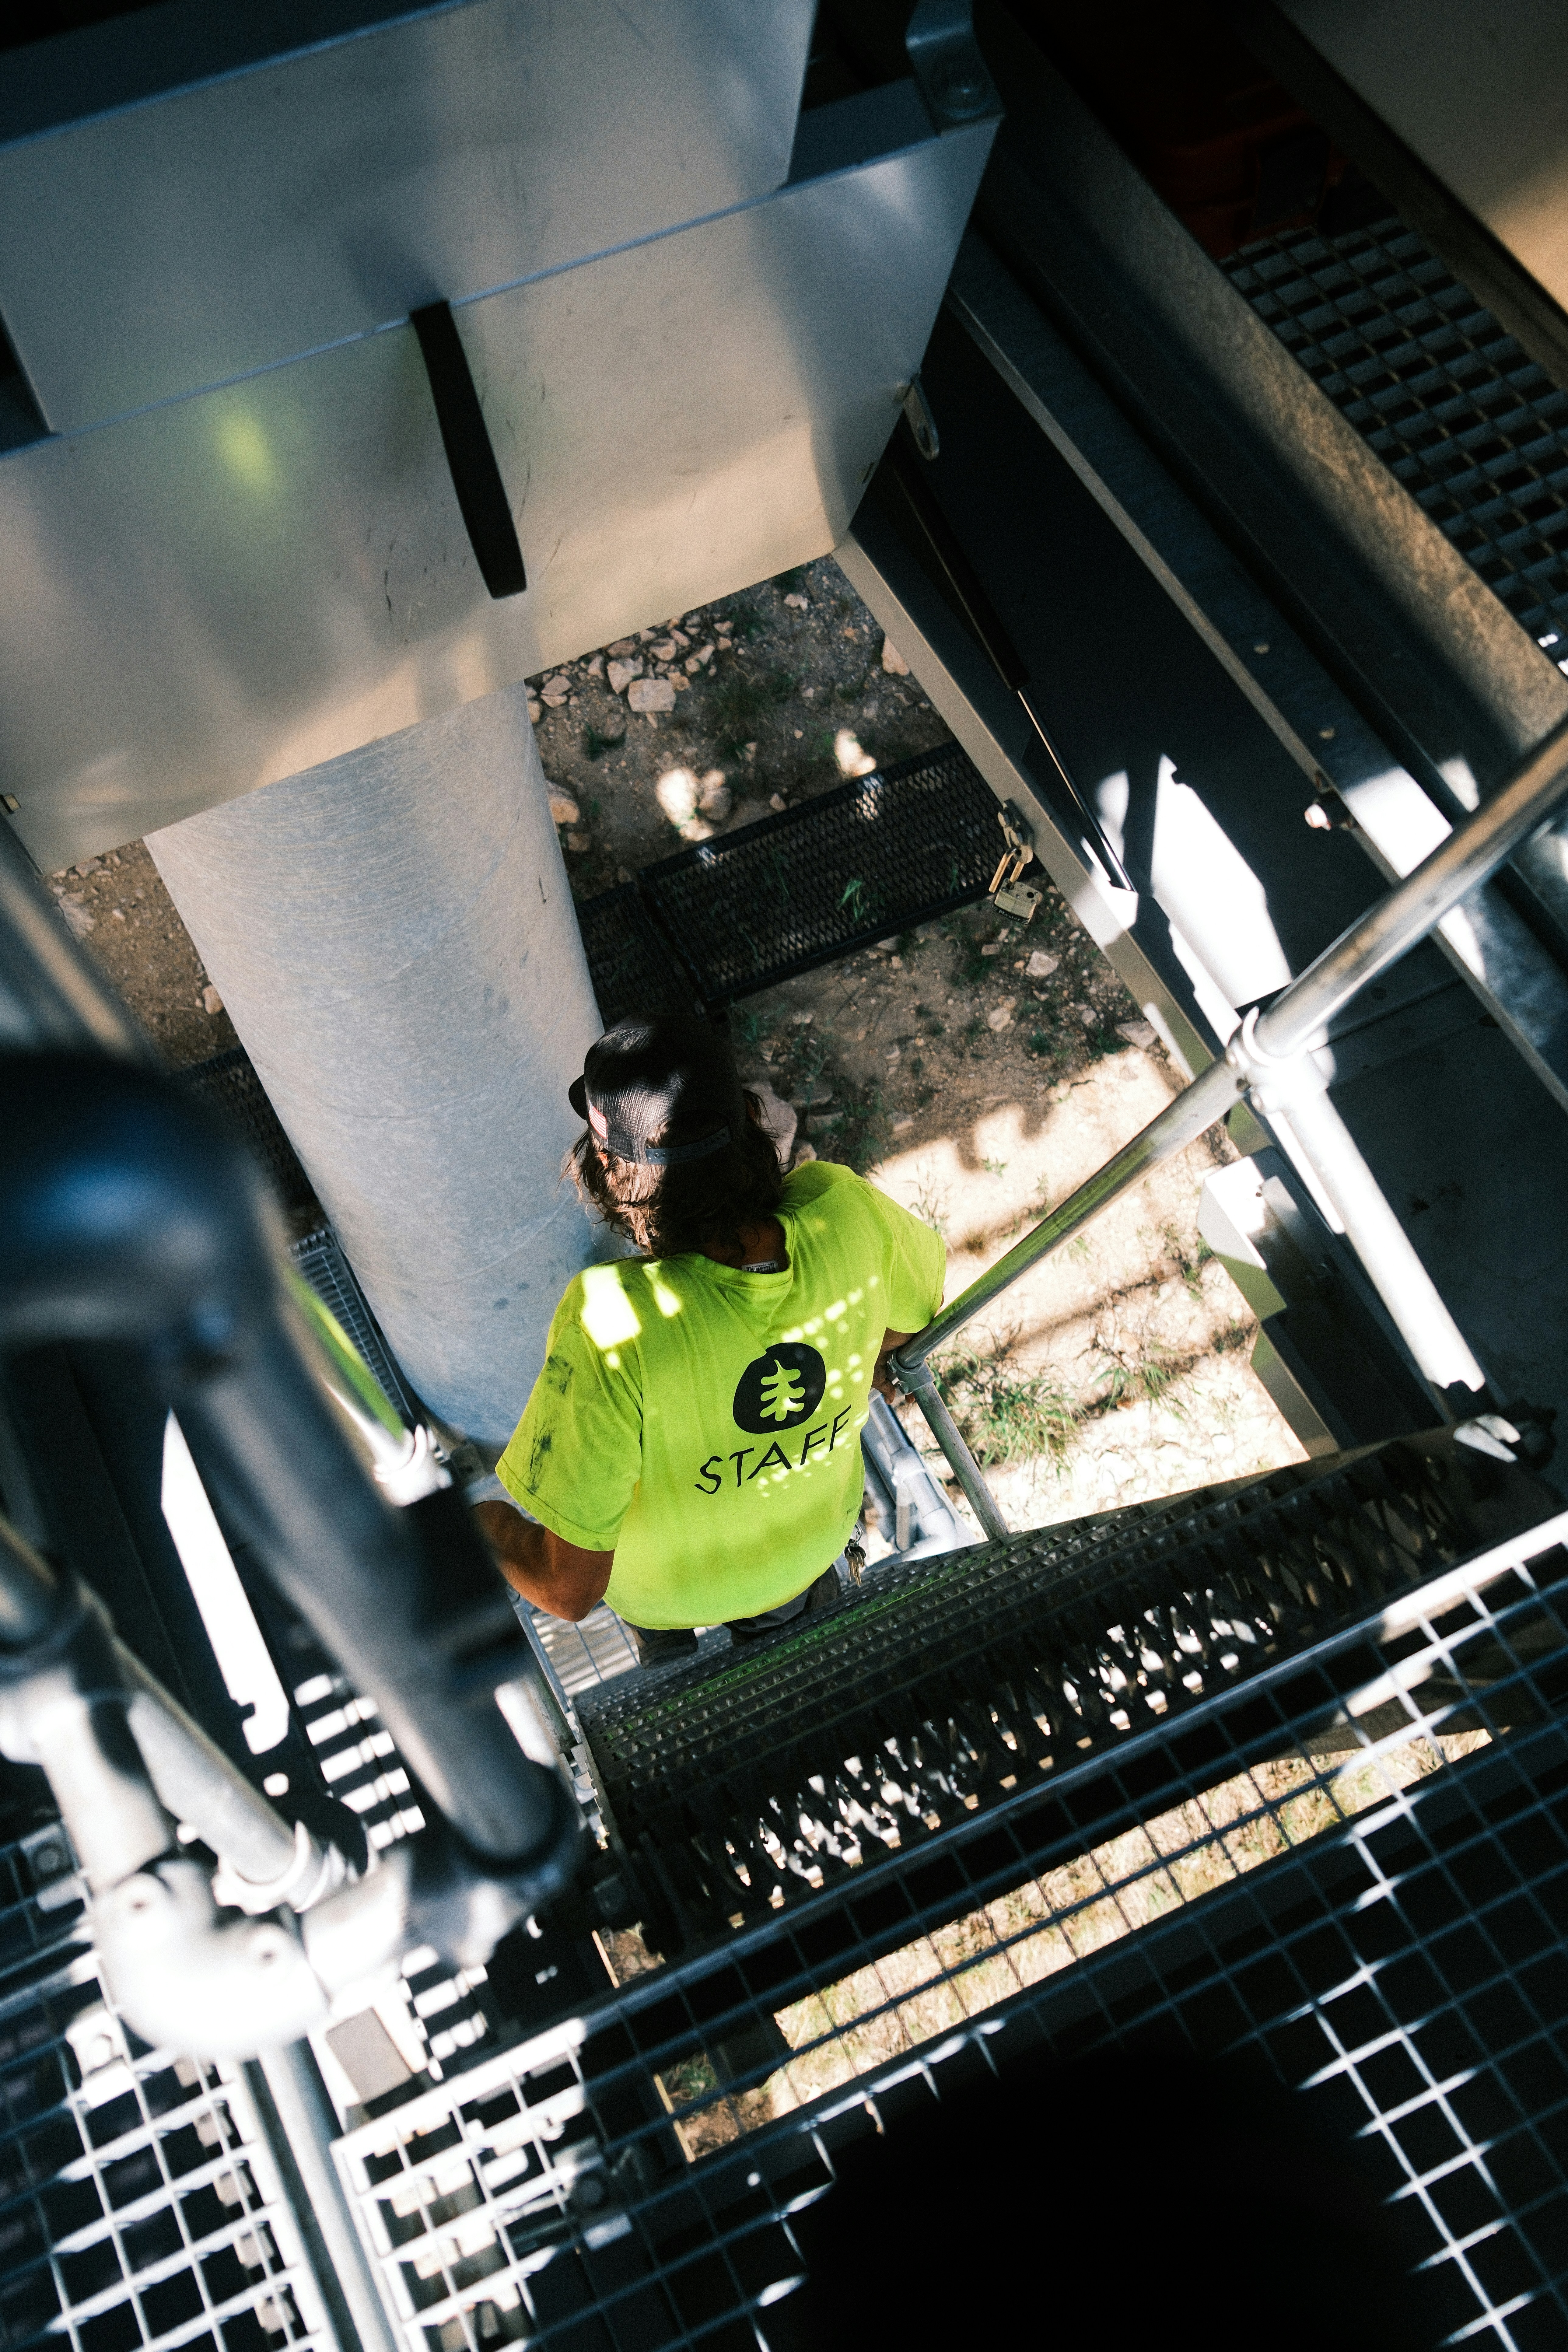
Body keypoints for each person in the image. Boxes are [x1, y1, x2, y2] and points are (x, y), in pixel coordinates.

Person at [473, 1016, 945, 1667]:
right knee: (791, 1641)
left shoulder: (612, 1323)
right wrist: (856, 1358)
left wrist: (481, 1528)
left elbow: (568, 1589)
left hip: (659, 1590)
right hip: (799, 1559)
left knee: (651, 1613)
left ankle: (669, 1652)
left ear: (607, 1169)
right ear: (750, 1119)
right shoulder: (846, 1214)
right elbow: (911, 1316)